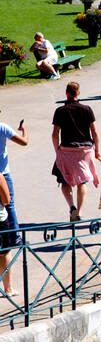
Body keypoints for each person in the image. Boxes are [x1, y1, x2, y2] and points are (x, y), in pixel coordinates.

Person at [51, 81, 100, 221]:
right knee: (82, 181)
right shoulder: (87, 109)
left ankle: (71, 206)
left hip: (66, 149)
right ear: (78, 93)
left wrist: (57, 151)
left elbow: (55, 134)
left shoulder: (60, 111)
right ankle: (79, 212)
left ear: (66, 93)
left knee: (64, 180)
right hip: (84, 150)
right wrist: (97, 150)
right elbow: (95, 132)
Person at [0, 110, 27, 297]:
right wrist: (24, 129)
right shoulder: (2, 127)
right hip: (3, 173)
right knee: (9, 205)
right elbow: (24, 141)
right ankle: (13, 235)